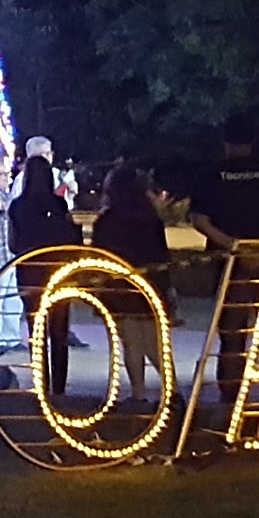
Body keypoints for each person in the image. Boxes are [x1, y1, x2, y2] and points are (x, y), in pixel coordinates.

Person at [190, 127, 259, 409]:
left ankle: (230, 398)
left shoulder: (212, 174)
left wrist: (234, 247)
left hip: (229, 264)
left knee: (232, 334)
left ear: (226, 143)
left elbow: (200, 220)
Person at [88, 165, 174, 403]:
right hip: (150, 285)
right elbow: (162, 255)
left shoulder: (107, 221)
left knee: (131, 343)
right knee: (154, 343)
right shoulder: (151, 218)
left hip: (119, 288)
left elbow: (99, 255)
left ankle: (139, 393)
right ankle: (172, 390)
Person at [5, 153, 81, 392]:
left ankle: (41, 381)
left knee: (35, 328)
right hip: (59, 270)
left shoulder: (18, 207)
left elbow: (13, 244)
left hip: (30, 272)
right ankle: (59, 386)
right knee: (59, 330)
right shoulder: (59, 205)